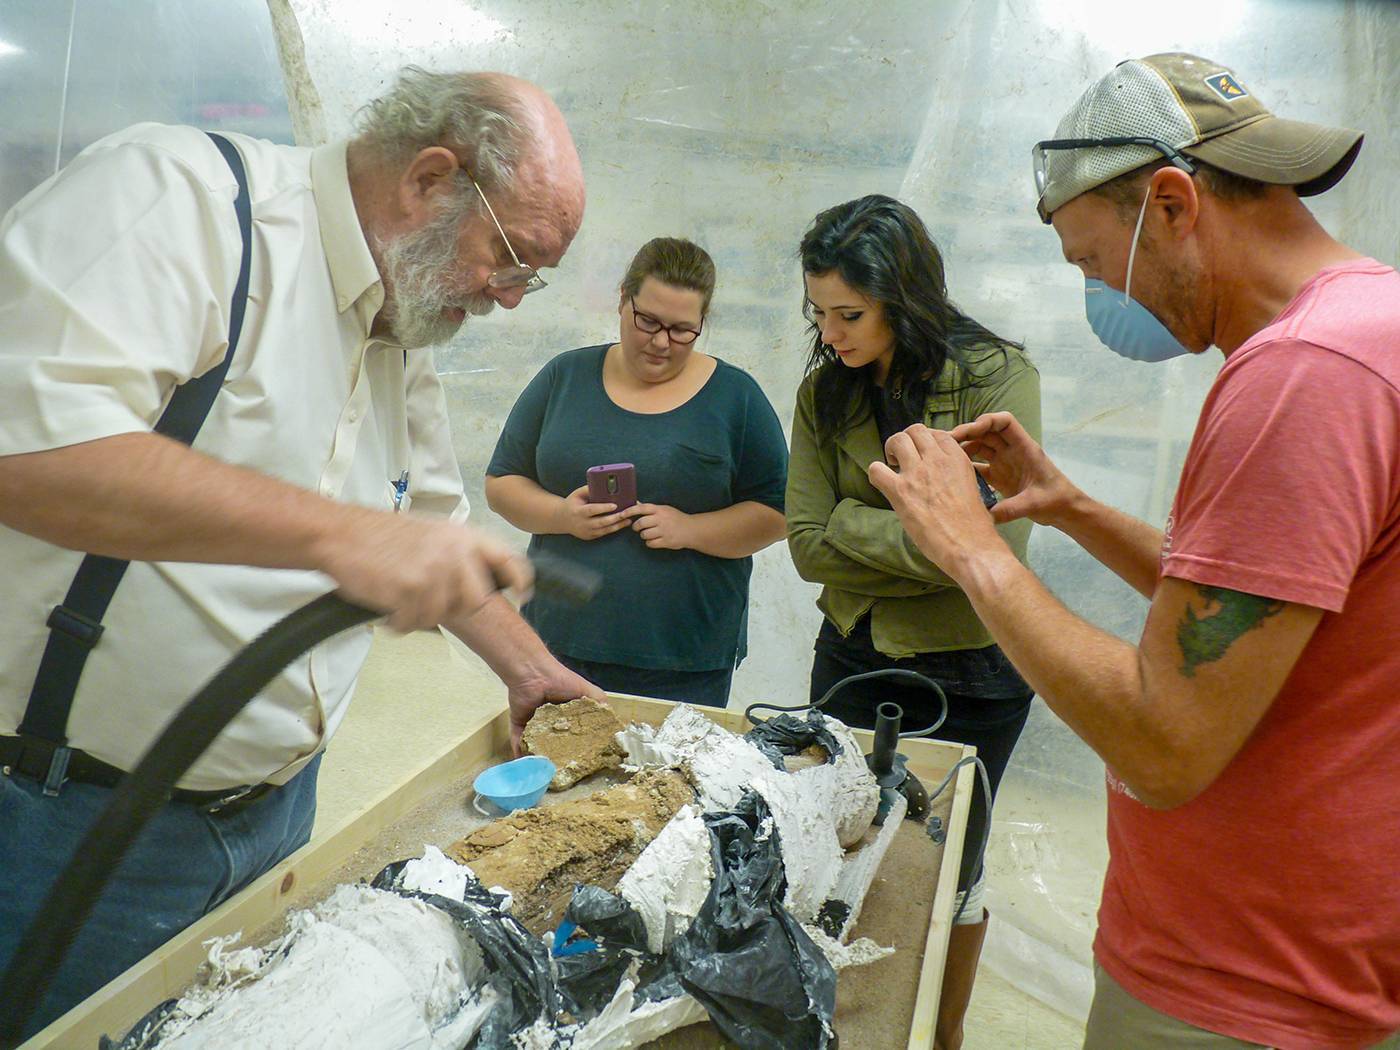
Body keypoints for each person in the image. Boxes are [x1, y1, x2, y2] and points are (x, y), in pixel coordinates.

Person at [0, 67, 599, 1035]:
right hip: (72, 824)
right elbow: (26, 447)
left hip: (276, 818)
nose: (511, 296)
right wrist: (342, 537)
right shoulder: (185, 202)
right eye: (510, 258)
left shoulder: (398, 326)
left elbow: (432, 539)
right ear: (430, 180)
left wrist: (529, 672)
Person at [869, 53, 1400, 1050]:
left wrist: (973, 551)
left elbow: (1165, 742)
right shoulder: (1368, 327)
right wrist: (1068, 508)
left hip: (1243, 988)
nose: (1094, 296)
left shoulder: (1300, 376)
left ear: (1168, 203)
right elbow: (1272, 615)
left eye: (1085, 261)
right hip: (1317, 960)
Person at [785, 194, 1041, 1050]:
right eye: (819, 313)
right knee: (835, 853)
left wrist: (899, 538)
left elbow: (991, 538)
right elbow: (806, 545)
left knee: (947, 871)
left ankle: (939, 1035)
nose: (831, 333)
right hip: (852, 656)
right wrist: (932, 532)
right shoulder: (824, 391)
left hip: (972, 668)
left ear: (907, 296)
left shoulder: (1000, 377)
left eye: (850, 313)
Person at [485, 237, 788, 707]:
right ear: (622, 299)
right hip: (558, 645)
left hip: (682, 660)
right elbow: (502, 482)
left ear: (703, 323)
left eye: (683, 330)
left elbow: (778, 512)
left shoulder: (736, 397)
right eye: (647, 320)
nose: (661, 342)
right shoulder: (564, 377)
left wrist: (690, 529)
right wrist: (560, 516)